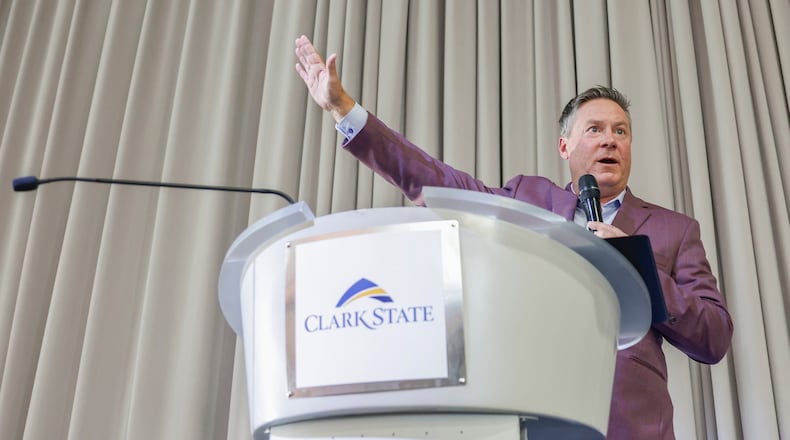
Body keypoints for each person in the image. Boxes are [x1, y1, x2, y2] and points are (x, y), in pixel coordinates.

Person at [294, 34, 733, 439]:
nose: (610, 141)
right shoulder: (528, 197)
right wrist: (344, 110)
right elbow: (437, 181)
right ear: (565, 147)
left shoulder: (675, 230)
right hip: (530, 414)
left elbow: (714, 337)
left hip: (630, 426)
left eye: (621, 131)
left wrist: (638, 268)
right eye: (595, 130)